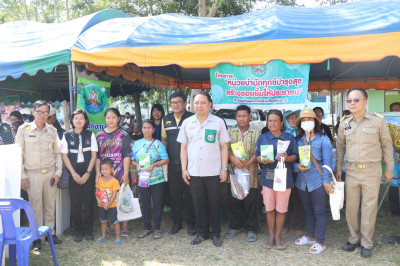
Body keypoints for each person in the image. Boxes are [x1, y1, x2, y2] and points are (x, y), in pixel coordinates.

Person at [336, 88, 394, 258]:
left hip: (372, 170)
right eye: (349, 100)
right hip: (352, 170)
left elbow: (386, 145)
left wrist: (389, 168)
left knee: (369, 208)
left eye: (356, 100)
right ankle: (353, 239)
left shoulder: (378, 121)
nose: (352, 103)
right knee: (351, 208)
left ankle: (366, 243)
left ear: (365, 102)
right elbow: (340, 147)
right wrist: (339, 168)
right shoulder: (344, 122)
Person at [177, 92, 230, 247]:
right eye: (196, 103)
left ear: (210, 104)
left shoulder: (218, 122)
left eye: (202, 103)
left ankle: (215, 234)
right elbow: (183, 148)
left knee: (213, 203)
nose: (199, 106)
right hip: (194, 171)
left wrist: (224, 168)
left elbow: (224, 147)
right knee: (198, 203)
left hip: (213, 171)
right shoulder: (187, 123)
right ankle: (202, 233)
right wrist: (183, 169)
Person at [15, 100, 63, 251]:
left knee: (50, 205)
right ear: (33, 112)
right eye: (39, 112)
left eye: (46, 112)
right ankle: (36, 238)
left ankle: (50, 233)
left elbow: (58, 153)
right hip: (32, 174)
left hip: (50, 173)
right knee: (35, 207)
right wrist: (22, 176)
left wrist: (58, 173)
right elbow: (18, 155)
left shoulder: (52, 131)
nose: (42, 115)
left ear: (49, 114)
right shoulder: (23, 130)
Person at [255, 109, 298, 251]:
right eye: (269, 121)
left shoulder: (289, 138)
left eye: (275, 121)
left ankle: (278, 236)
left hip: (284, 178)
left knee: (281, 209)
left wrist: (286, 157)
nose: (272, 123)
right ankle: (271, 236)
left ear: (281, 122)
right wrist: (263, 159)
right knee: (270, 209)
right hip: (268, 178)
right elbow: (257, 156)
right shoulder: (263, 138)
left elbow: (295, 157)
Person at [293, 109, 334, 254]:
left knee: (319, 211)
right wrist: (297, 167)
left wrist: (327, 181)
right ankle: (310, 236)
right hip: (301, 182)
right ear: (300, 124)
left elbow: (329, 163)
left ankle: (320, 242)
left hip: (318, 181)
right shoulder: (297, 140)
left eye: (309, 119)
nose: (306, 123)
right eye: (303, 120)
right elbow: (293, 160)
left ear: (315, 122)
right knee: (308, 210)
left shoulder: (323, 139)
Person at [161, 91, 196, 236]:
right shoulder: (166, 119)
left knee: (190, 195)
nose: (175, 105)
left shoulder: (192, 118)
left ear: (185, 103)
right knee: (174, 195)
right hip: (172, 164)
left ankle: (192, 224)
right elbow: (164, 140)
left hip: (189, 165)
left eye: (178, 102)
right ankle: (176, 223)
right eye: (173, 102)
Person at [61, 109, 97, 242]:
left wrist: (88, 172)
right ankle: (77, 231)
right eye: (76, 118)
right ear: (72, 120)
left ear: (86, 121)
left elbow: (94, 155)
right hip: (73, 172)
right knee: (75, 203)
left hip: (88, 172)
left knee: (88, 202)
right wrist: (73, 173)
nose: (79, 120)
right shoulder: (66, 135)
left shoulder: (90, 135)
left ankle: (89, 231)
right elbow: (64, 156)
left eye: (81, 118)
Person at [225, 105, 260, 242]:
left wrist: (250, 162)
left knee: (250, 201)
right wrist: (233, 159)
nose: (241, 118)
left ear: (250, 117)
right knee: (234, 200)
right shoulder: (229, 132)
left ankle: (251, 228)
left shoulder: (257, 133)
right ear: (236, 117)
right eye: (239, 116)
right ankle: (235, 226)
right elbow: (224, 149)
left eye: (244, 116)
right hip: (234, 172)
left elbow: (260, 151)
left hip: (250, 172)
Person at [95, 108, 132, 237]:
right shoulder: (99, 135)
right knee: (108, 199)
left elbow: (127, 155)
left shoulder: (124, 134)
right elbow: (98, 156)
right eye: (108, 117)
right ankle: (112, 226)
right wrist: (97, 173)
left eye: (113, 117)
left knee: (123, 199)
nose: (110, 120)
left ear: (118, 119)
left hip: (121, 172)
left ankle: (125, 227)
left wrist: (126, 174)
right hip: (105, 175)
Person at [131, 120, 169, 239]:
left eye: (149, 128)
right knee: (145, 204)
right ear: (141, 129)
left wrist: (154, 165)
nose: (146, 130)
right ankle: (147, 227)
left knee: (157, 203)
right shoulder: (137, 144)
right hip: (143, 179)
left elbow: (166, 159)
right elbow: (131, 159)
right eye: (144, 127)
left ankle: (157, 228)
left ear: (153, 130)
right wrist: (136, 165)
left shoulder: (158, 144)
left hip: (157, 179)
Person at [282, 110, 305, 236]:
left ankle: (299, 225)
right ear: (285, 121)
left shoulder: (302, 134)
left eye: (295, 118)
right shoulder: (283, 134)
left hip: (301, 171)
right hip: (286, 170)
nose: (293, 120)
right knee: (285, 199)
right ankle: (285, 224)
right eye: (290, 118)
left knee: (298, 198)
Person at [95, 159, 121, 245]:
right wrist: (98, 200)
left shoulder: (115, 181)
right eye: (102, 169)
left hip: (111, 206)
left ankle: (118, 237)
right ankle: (103, 236)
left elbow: (114, 195)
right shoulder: (100, 180)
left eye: (106, 169)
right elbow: (97, 191)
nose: (104, 171)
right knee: (103, 221)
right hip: (101, 205)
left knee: (114, 221)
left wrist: (109, 204)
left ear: (112, 169)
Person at [150, 104, 170, 213]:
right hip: (152, 155)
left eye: (159, 111)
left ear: (162, 112)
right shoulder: (149, 124)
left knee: (164, 178)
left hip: (163, 154)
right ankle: (153, 202)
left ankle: (166, 202)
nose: (156, 113)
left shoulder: (166, 123)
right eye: (154, 111)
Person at [387, 102, 400, 217]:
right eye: (393, 110)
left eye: (398, 110)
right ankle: (395, 210)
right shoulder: (387, 124)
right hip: (392, 159)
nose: (396, 112)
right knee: (393, 184)